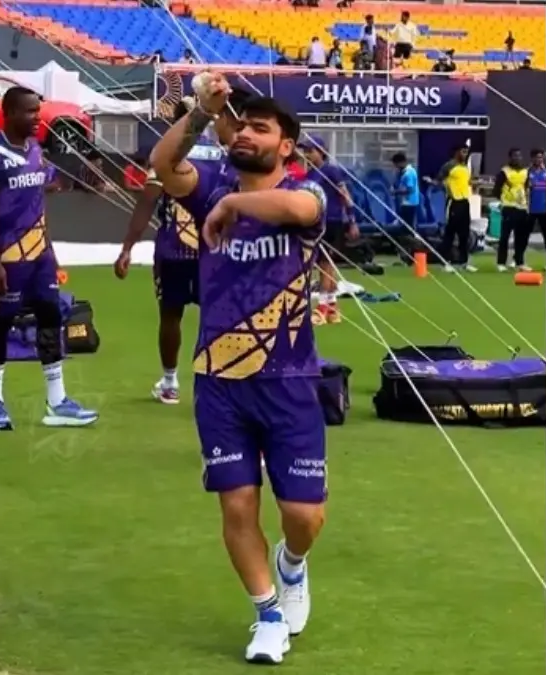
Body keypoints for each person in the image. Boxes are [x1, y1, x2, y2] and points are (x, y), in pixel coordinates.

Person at [148, 76, 328, 665]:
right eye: (243, 124)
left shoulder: (305, 194)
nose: (247, 132)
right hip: (220, 384)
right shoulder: (210, 187)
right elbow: (162, 163)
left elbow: (297, 207)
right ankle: (267, 613)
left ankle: (292, 565)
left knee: (304, 516)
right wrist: (201, 111)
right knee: (237, 506)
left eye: (262, 128)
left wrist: (233, 204)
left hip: (291, 381)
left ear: (286, 147)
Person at [0, 86, 99, 430]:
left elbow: (43, 192)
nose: (37, 118)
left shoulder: (36, 149)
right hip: (8, 257)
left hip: (41, 255)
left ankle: (57, 401)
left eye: (38, 112)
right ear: (10, 113)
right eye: (30, 112)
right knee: (0, 324)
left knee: (50, 315)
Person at [116, 89, 247, 404]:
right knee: (217, 314)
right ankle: (219, 379)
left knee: (170, 316)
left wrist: (127, 248)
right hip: (212, 248)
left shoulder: (170, 157)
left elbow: (148, 200)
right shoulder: (225, 151)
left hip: (172, 247)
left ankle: (170, 381)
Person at [299, 135, 357, 323]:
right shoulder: (309, 175)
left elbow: (344, 195)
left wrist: (352, 219)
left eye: (311, 150)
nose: (307, 154)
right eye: (305, 150)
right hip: (317, 223)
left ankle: (323, 308)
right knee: (326, 265)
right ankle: (332, 308)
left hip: (331, 222)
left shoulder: (330, 171)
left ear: (321, 152)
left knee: (325, 265)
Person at [429, 143, 476, 272]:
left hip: (465, 203)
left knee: (464, 234)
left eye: (466, 152)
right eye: (463, 152)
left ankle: (463, 262)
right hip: (453, 202)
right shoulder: (449, 166)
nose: (465, 155)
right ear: (457, 153)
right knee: (450, 234)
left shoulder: (465, 167)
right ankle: (445, 262)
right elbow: (438, 181)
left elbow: (466, 183)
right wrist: (433, 183)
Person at [492, 148, 530, 272]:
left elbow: (526, 186)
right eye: (514, 156)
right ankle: (501, 262)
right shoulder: (504, 172)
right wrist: (505, 199)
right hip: (509, 207)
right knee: (505, 237)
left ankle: (519, 262)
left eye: (519, 156)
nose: (517, 158)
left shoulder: (525, 171)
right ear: (510, 157)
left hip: (522, 207)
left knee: (521, 237)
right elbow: (496, 190)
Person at [391, 152, 420, 233]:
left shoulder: (408, 174)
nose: (395, 167)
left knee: (407, 227)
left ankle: (409, 241)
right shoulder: (408, 171)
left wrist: (395, 192)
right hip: (408, 202)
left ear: (400, 162)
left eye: (396, 164)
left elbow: (410, 189)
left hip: (409, 203)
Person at [527, 148, 546, 250]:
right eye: (537, 157)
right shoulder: (527, 172)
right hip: (531, 209)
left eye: (541, 157)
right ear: (532, 158)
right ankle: (518, 259)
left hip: (544, 209)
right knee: (524, 235)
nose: (540, 159)